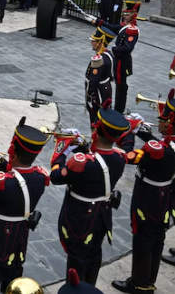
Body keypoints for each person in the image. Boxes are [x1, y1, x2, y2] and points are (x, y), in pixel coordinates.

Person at [51, 100, 129, 286]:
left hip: (80, 219)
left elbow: (55, 176)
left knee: (76, 261)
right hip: (101, 216)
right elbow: (99, 161)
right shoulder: (119, 158)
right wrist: (82, 147)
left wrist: (61, 150)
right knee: (93, 256)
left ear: (97, 130)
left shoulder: (84, 163)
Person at [0, 117, 50, 292]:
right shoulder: (39, 177)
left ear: (12, 149)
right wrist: (0, 162)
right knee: (13, 275)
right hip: (19, 235)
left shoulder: (2, 182)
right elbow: (18, 174)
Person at [111, 92, 175, 294]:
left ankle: (139, 284)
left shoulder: (163, 151)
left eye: (165, 119)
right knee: (157, 238)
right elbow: (161, 146)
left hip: (149, 196)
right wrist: (143, 131)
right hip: (164, 194)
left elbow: (131, 156)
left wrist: (128, 134)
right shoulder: (170, 144)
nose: (161, 121)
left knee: (143, 239)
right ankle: (148, 280)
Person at [99, 0, 140, 113]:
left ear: (133, 14)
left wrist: (113, 49)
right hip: (119, 60)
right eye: (124, 14)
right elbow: (113, 27)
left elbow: (127, 48)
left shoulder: (132, 30)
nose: (125, 16)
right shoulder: (125, 26)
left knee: (121, 86)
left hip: (123, 62)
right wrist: (99, 22)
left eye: (128, 14)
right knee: (118, 84)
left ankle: (119, 109)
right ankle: (117, 107)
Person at [86, 25, 115, 127]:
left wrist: (89, 93)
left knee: (95, 116)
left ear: (100, 42)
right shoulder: (108, 54)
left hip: (98, 93)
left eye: (94, 40)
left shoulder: (99, 59)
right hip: (106, 89)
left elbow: (94, 81)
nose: (92, 42)